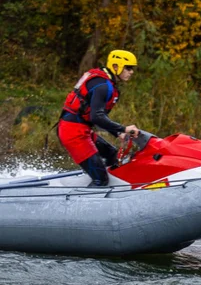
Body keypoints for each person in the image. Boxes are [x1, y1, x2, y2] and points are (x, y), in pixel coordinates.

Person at [57, 49, 140, 186]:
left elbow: (97, 116)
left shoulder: (106, 82)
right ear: (115, 66)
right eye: (128, 68)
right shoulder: (102, 86)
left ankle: (113, 186)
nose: (131, 72)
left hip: (82, 129)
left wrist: (117, 132)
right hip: (72, 133)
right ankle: (93, 194)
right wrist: (124, 129)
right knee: (101, 180)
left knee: (112, 156)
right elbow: (96, 117)